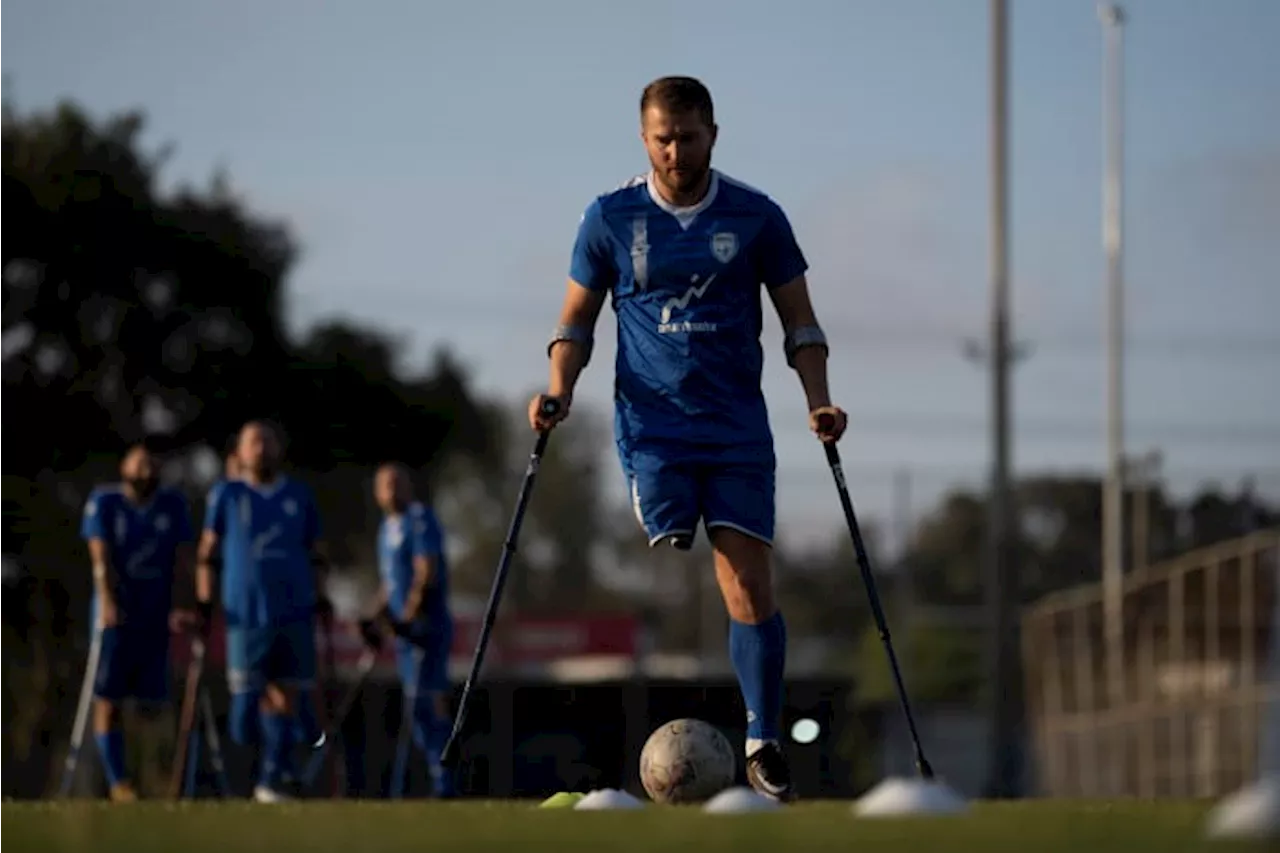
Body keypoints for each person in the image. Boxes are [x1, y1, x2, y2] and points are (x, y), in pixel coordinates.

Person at [529, 75, 848, 802]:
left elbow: (801, 319)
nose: (676, 151)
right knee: (670, 531)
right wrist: (559, 386)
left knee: (748, 580)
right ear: (644, 139)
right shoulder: (610, 216)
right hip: (655, 424)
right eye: (662, 138)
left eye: (689, 137)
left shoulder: (758, 216)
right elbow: (575, 319)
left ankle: (762, 739)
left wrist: (820, 401)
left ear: (713, 134)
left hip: (737, 426)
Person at [196, 420, 328, 802]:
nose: (262, 448)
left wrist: (321, 595)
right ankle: (259, 772)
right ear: (240, 451)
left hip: (293, 611)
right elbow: (208, 552)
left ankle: (271, 779)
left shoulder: (299, 495)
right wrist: (205, 602)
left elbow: (316, 552)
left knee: (287, 695)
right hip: (245, 616)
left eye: (268, 441)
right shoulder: (226, 494)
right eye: (254, 442)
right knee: (244, 713)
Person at [79, 441, 195, 801]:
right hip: (116, 615)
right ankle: (118, 783)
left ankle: (155, 779)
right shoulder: (105, 502)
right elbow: (99, 555)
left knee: (152, 704)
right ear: (124, 467)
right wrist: (107, 600)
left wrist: (183, 603)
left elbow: (182, 559)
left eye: (152, 463)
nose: (147, 469)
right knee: (108, 699)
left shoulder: (172, 505)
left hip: (154, 615)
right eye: (139, 462)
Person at [363, 462, 455, 798]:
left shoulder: (420, 518)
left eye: (397, 482)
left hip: (427, 627)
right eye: (385, 484)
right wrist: (373, 617)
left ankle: (445, 780)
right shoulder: (385, 530)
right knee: (415, 711)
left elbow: (425, 571)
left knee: (428, 703)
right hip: (404, 632)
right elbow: (390, 584)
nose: (392, 490)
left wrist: (409, 616)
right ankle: (438, 772)